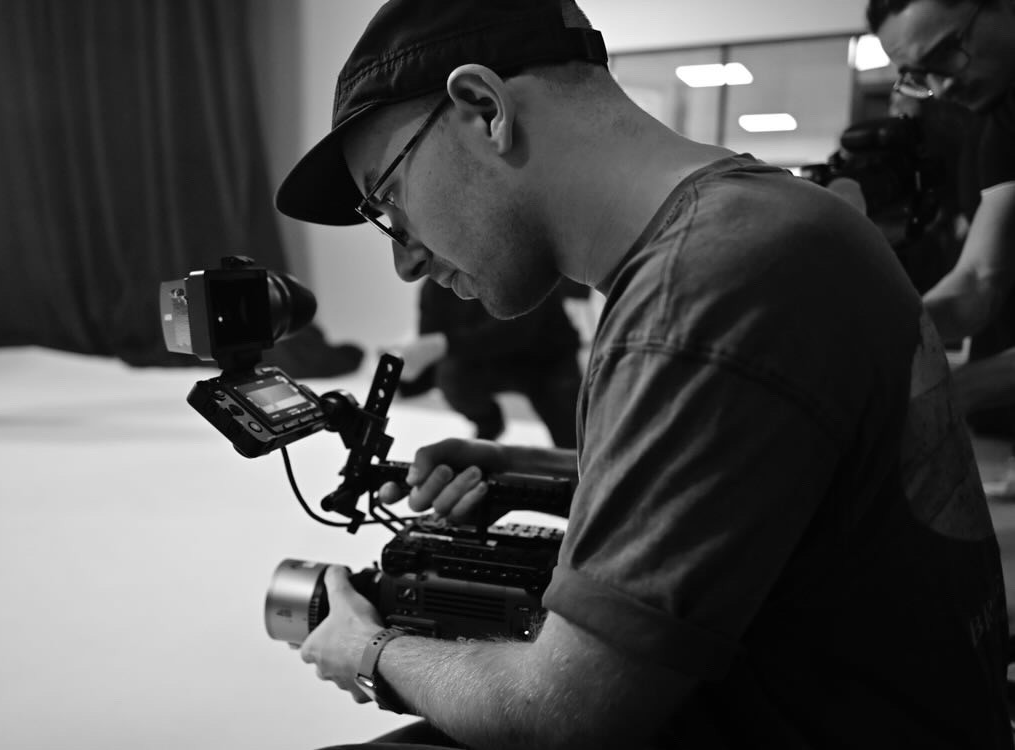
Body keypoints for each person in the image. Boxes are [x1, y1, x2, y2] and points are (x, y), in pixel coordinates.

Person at [274, 1, 1011, 746]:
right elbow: (775, 473)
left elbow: (561, 714)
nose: (404, 260)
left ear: (482, 108)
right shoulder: (774, 215)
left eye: (388, 202)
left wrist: (370, 652)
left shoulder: (699, 290)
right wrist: (529, 467)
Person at [870, 0, 1015, 452]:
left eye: (945, 53)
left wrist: (953, 389)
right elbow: (977, 280)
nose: (942, 84)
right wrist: (865, 335)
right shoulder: (1002, 121)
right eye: (918, 73)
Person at [393, 277, 582, 447]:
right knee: (450, 372)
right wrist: (400, 386)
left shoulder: (510, 261)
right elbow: (432, 364)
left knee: (577, 442)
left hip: (548, 359)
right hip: (488, 364)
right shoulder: (434, 289)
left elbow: (517, 330)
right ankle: (488, 423)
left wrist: (444, 343)